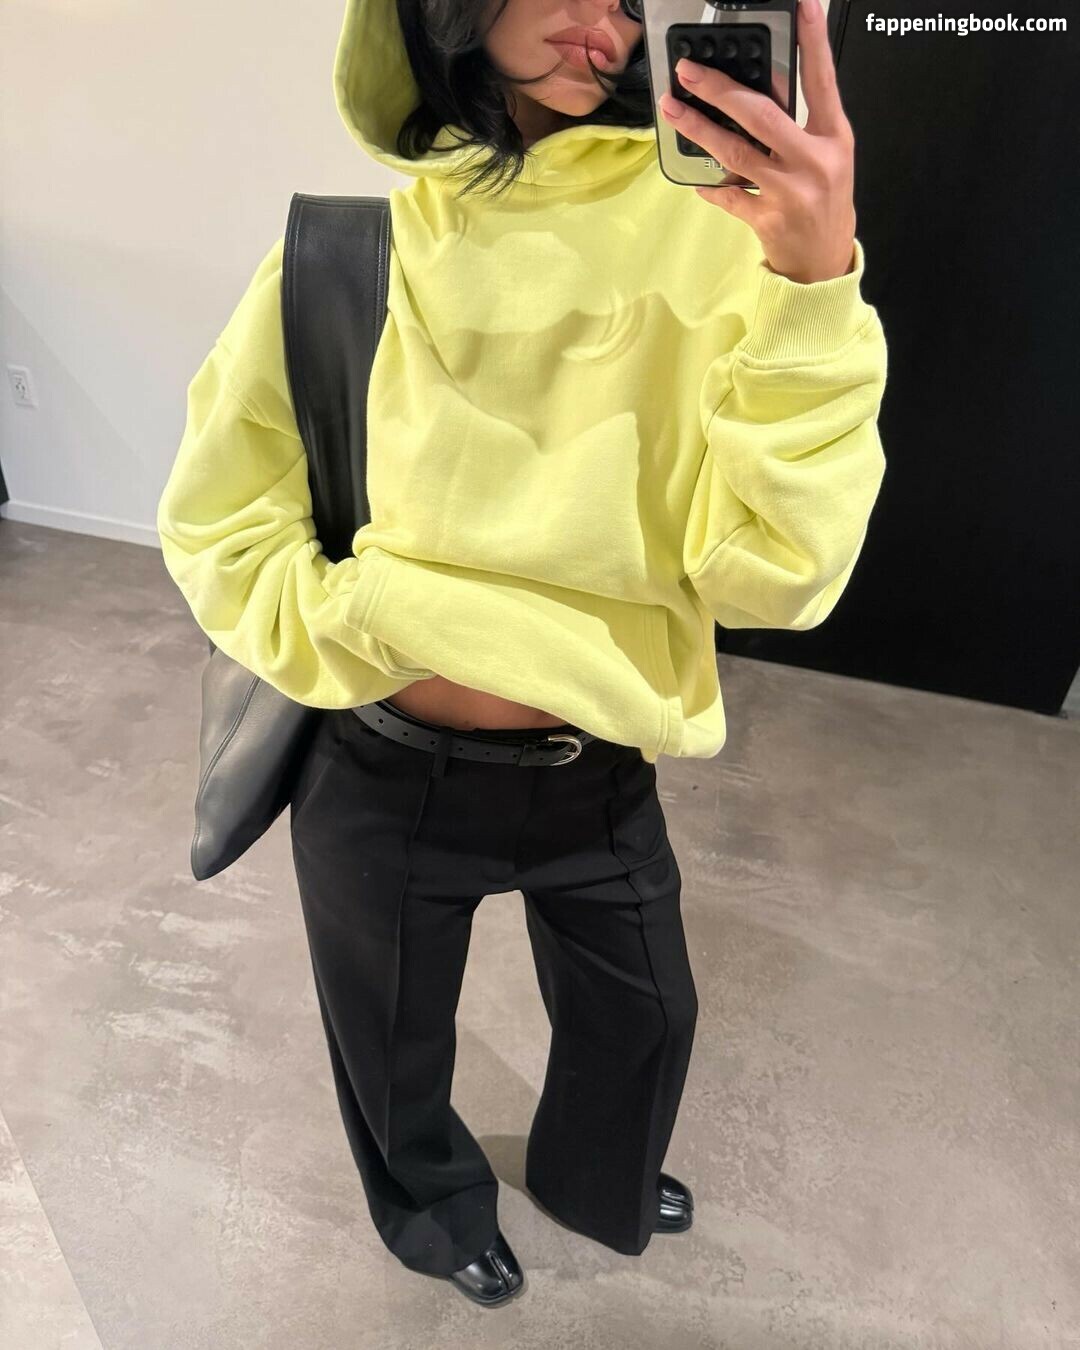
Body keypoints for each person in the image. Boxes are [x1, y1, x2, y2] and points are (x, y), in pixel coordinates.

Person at [157, 0, 887, 1309]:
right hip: (384, 763)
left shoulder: (720, 238)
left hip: (594, 766)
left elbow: (777, 576)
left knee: (646, 1013)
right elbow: (219, 515)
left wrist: (815, 286)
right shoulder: (357, 249)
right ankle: (432, 1209)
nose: (600, 23)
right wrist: (355, 630)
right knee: (390, 1037)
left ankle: (598, 1174)